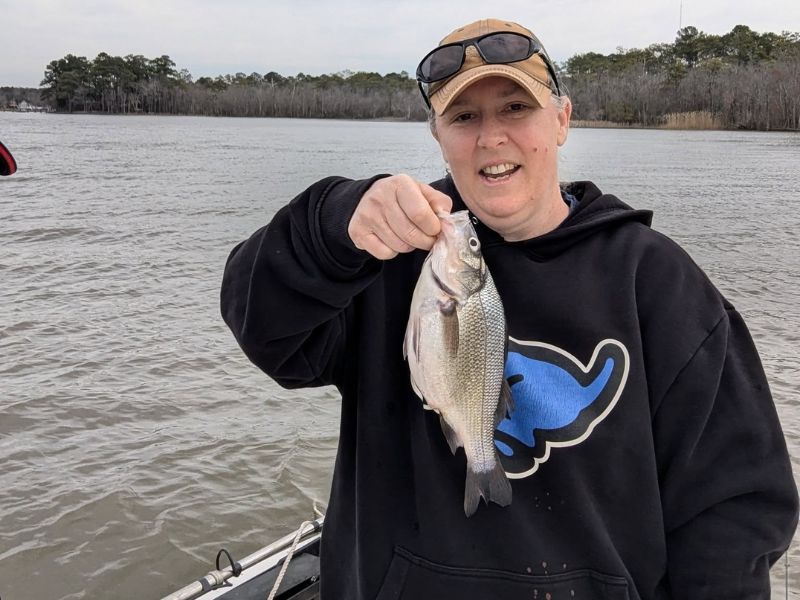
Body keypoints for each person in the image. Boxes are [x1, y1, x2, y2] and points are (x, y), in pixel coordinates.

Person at [221, 18, 798, 600]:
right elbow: (265, 332)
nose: (491, 137)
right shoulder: (386, 257)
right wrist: (332, 224)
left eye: (515, 109)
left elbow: (734, 504)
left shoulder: (658, 281)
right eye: (464, 117)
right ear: (438, 135)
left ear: (563, 119)